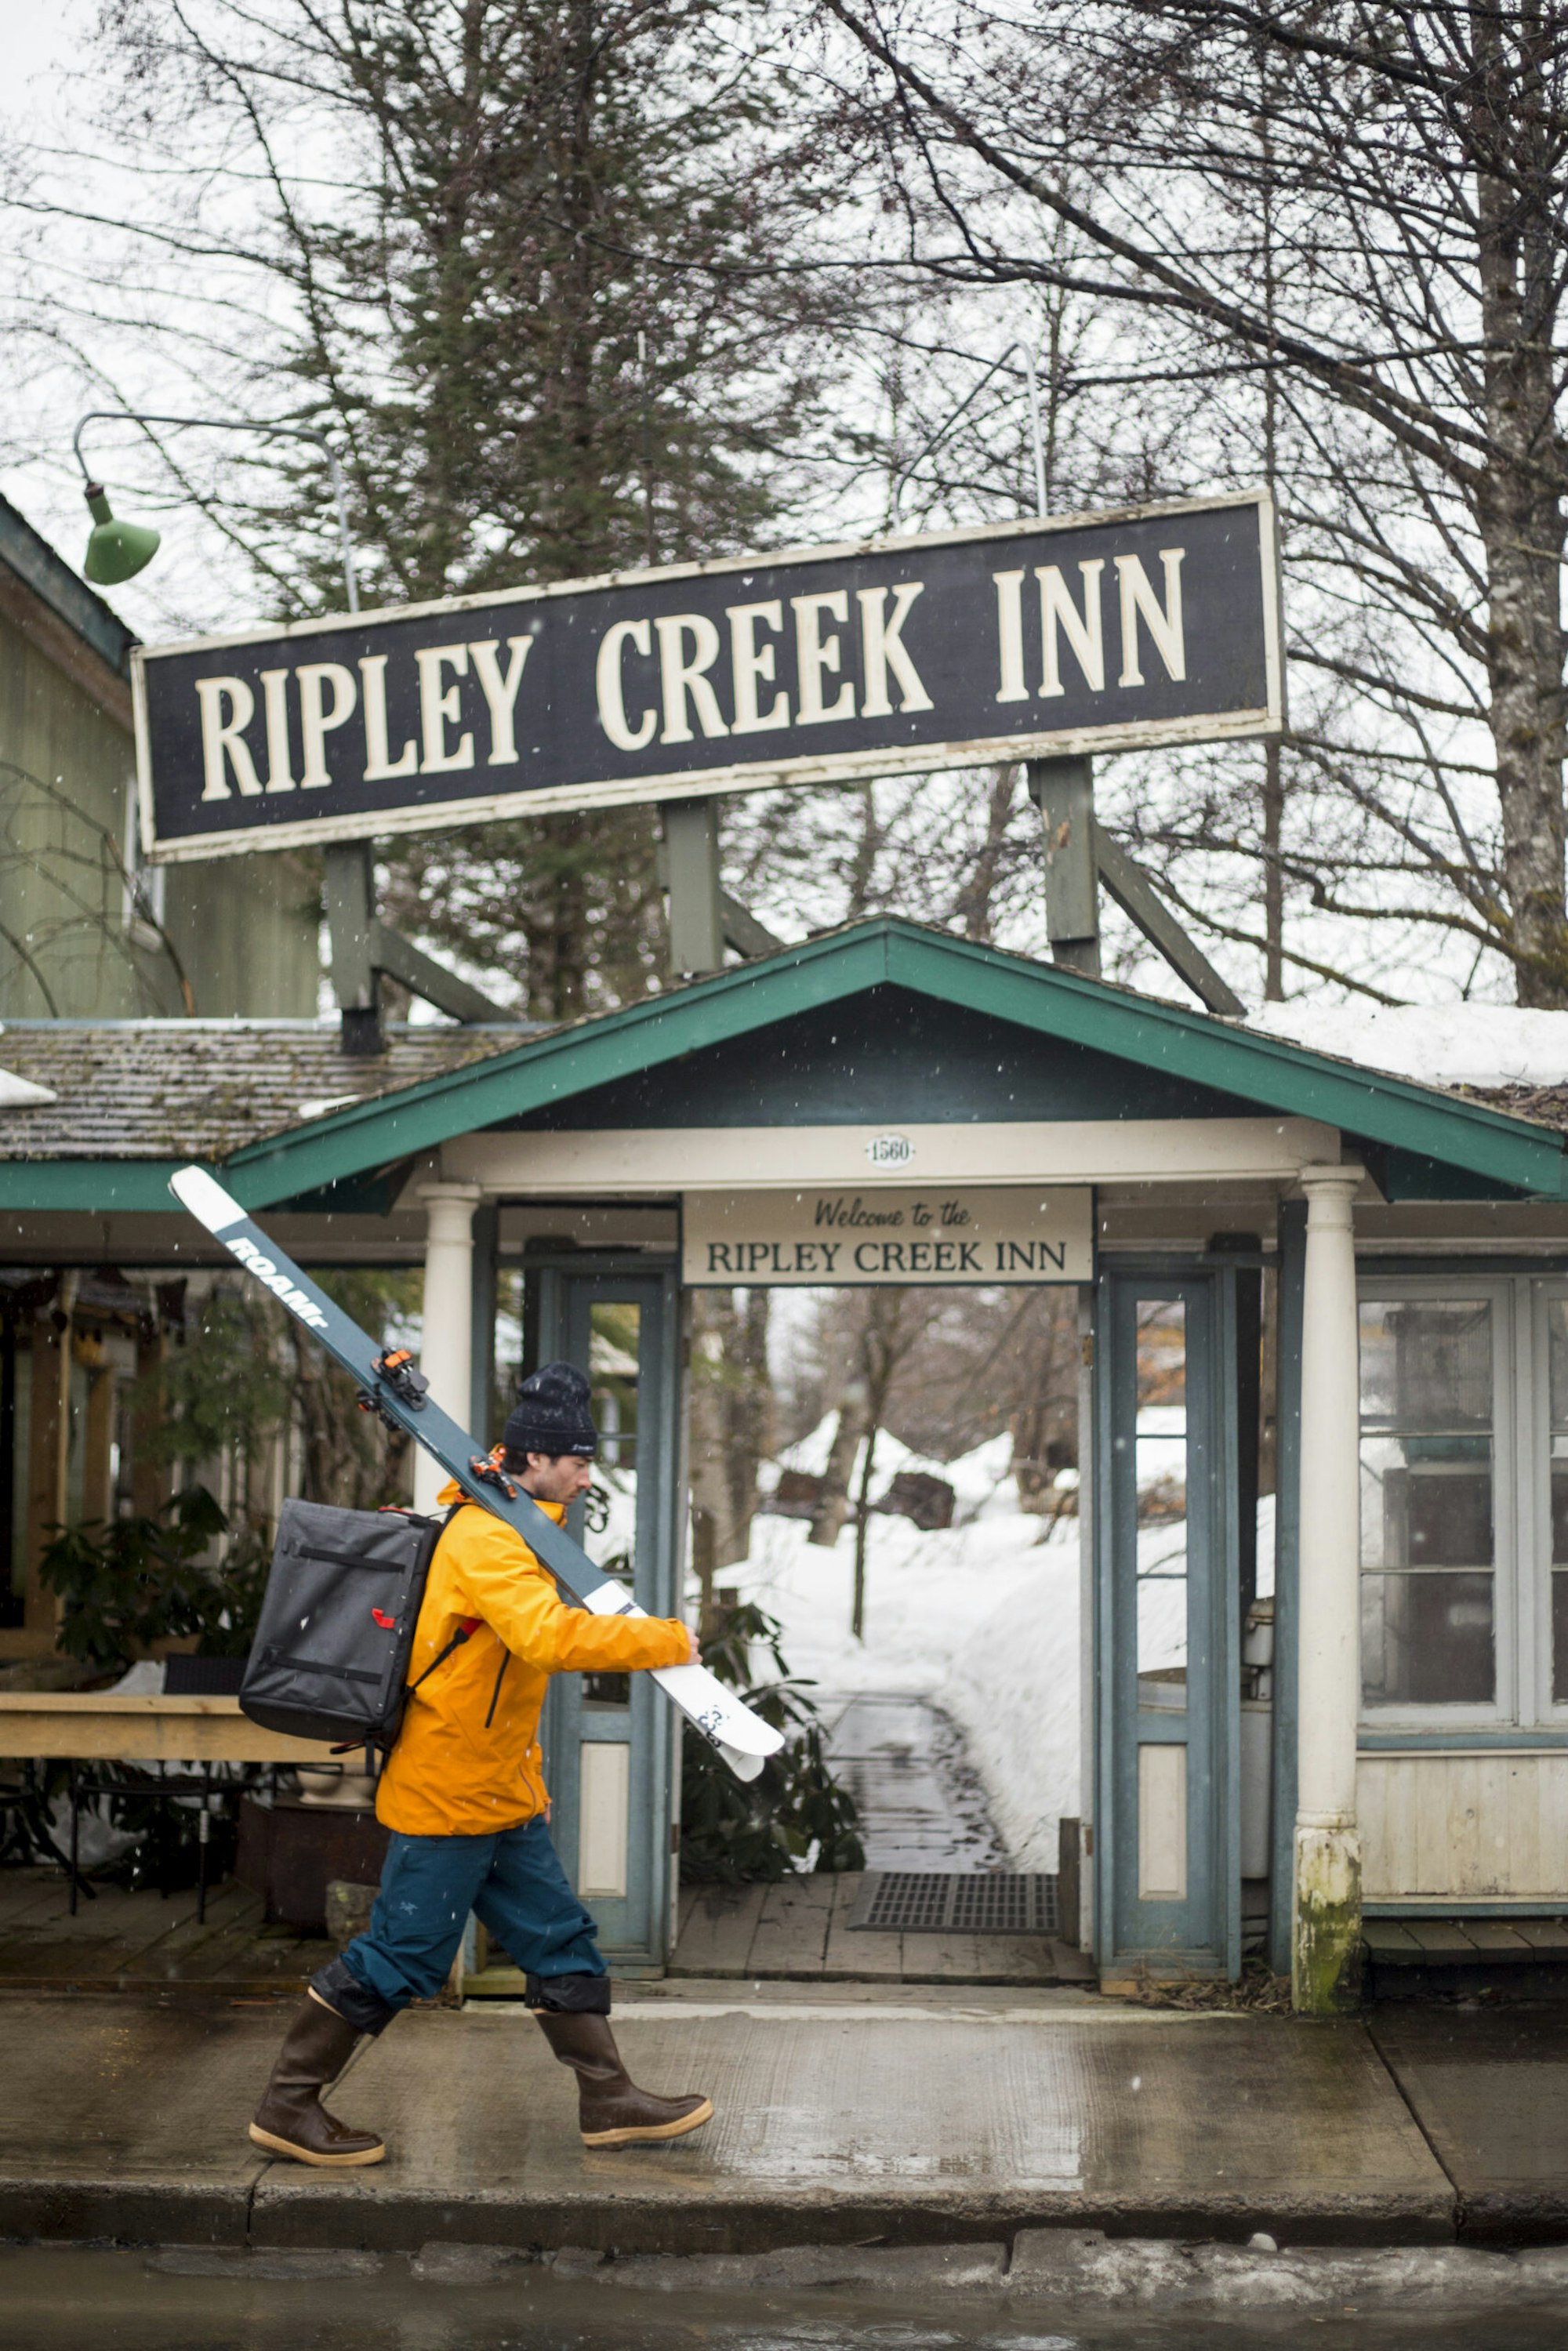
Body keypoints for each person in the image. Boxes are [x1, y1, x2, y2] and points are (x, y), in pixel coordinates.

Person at [248, 1361, 708, 2168]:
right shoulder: (488, 1536)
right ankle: (289, 2102)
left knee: (559, 1938)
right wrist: (663, 1637)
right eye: (576, 1456)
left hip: (498, 1795)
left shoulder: (521, 1527)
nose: (586, 1472)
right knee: (402, 1953)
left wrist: (530, 1788)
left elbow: (496, 1683)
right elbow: (546, 1638)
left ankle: (607, 2098)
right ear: (534, 1459)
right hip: (450, 1794)